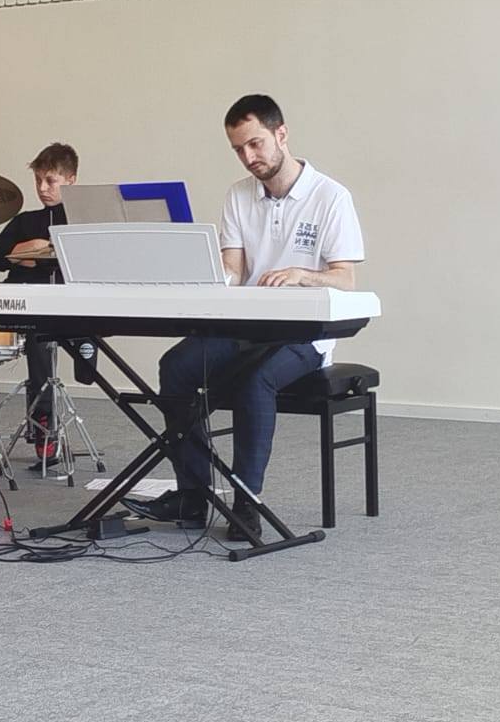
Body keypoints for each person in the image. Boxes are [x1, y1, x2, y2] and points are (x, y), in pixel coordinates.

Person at [131, 94, 364, 543]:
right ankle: (192, 496)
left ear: (281, 134)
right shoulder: (238, 195)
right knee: (175, 366)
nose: (248, 157)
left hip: (306, 335)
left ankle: (245, 504)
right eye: (238, 149)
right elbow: (234, 270)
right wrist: (206, 276)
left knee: (256, 381)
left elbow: (345, 280)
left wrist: (302, 275)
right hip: (247, 325)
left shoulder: (331, 196)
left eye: (255, 144)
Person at [0, 142, 77, 465]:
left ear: (71, 180)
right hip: (16, 297)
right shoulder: (25, 221)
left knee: (39, 338)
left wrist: (44, 254)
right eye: (38, 181)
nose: (42, 188)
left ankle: (44, 425)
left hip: (56, 304)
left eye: (50, 181)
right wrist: (23, 249)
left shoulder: (80, 222)